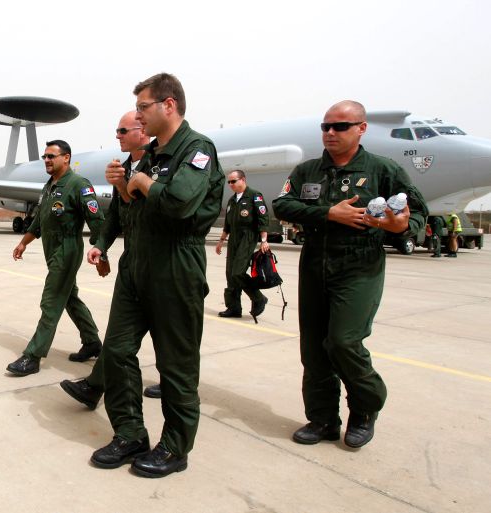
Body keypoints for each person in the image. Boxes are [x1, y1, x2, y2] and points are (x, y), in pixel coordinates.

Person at [272, 100, 428, 448]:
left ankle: (365, 407)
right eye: (326, 127)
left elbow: (416, 213)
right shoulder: (306, 171)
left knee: (343, 342)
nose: (330, 133)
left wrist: (401, 225)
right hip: (315, 264)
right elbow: (281, 204)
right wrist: (330, 213)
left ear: (361, 128)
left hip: (359, 266)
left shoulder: (382, 170)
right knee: (313, 350)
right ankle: (323, 419)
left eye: (340, 126)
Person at [91, 73, 224, 478]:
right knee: (115, 351)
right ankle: (130, 432)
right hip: (137, 264)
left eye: (143, 107)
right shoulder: (147, 156)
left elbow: (180, 202)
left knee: (176, 364)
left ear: (169, 105)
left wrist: (142, 182)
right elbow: (131, 207)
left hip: (174, 263)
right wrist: (125, 185)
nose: (138, 116)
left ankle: (175, 447)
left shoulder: (197, 149)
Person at [59, 111, 162, 409]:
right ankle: (94, 387)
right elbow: (117, 215)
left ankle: (169, 383)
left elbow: (154, 208)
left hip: (160, 261)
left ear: (142, 131)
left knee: (164, 335)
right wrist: (101, 245)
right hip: (133, 261)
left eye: (122, 130)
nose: (116, 135)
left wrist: (123, 184)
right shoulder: (126, 166)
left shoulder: (158, 164)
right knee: (119, 336)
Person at [7, 140, 104, 376]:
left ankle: (33, 356)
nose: (47, 160)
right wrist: (23, 243)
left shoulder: (79, 185)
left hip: (67, 250)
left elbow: (97, 221)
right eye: (45, 157)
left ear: (66, 158)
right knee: (69, 298)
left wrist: (102, 252)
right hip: (51, 250)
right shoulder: (49, 186)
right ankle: (91, 341)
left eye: (52, 156)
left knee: (51, 301)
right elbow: (39, 221)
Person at [216, 169, 270, 321]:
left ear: (243, 180)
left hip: (248, 237)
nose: (231, 184)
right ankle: (233, 308)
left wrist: (264, 240)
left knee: (238, 272)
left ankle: (258, 298)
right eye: (229, 182)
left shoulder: (254, 196)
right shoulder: (232, 200)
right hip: (234, 238)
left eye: (234, 181)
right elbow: (228, 223)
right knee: (230, 273)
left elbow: (263, 218)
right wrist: (221, 241)